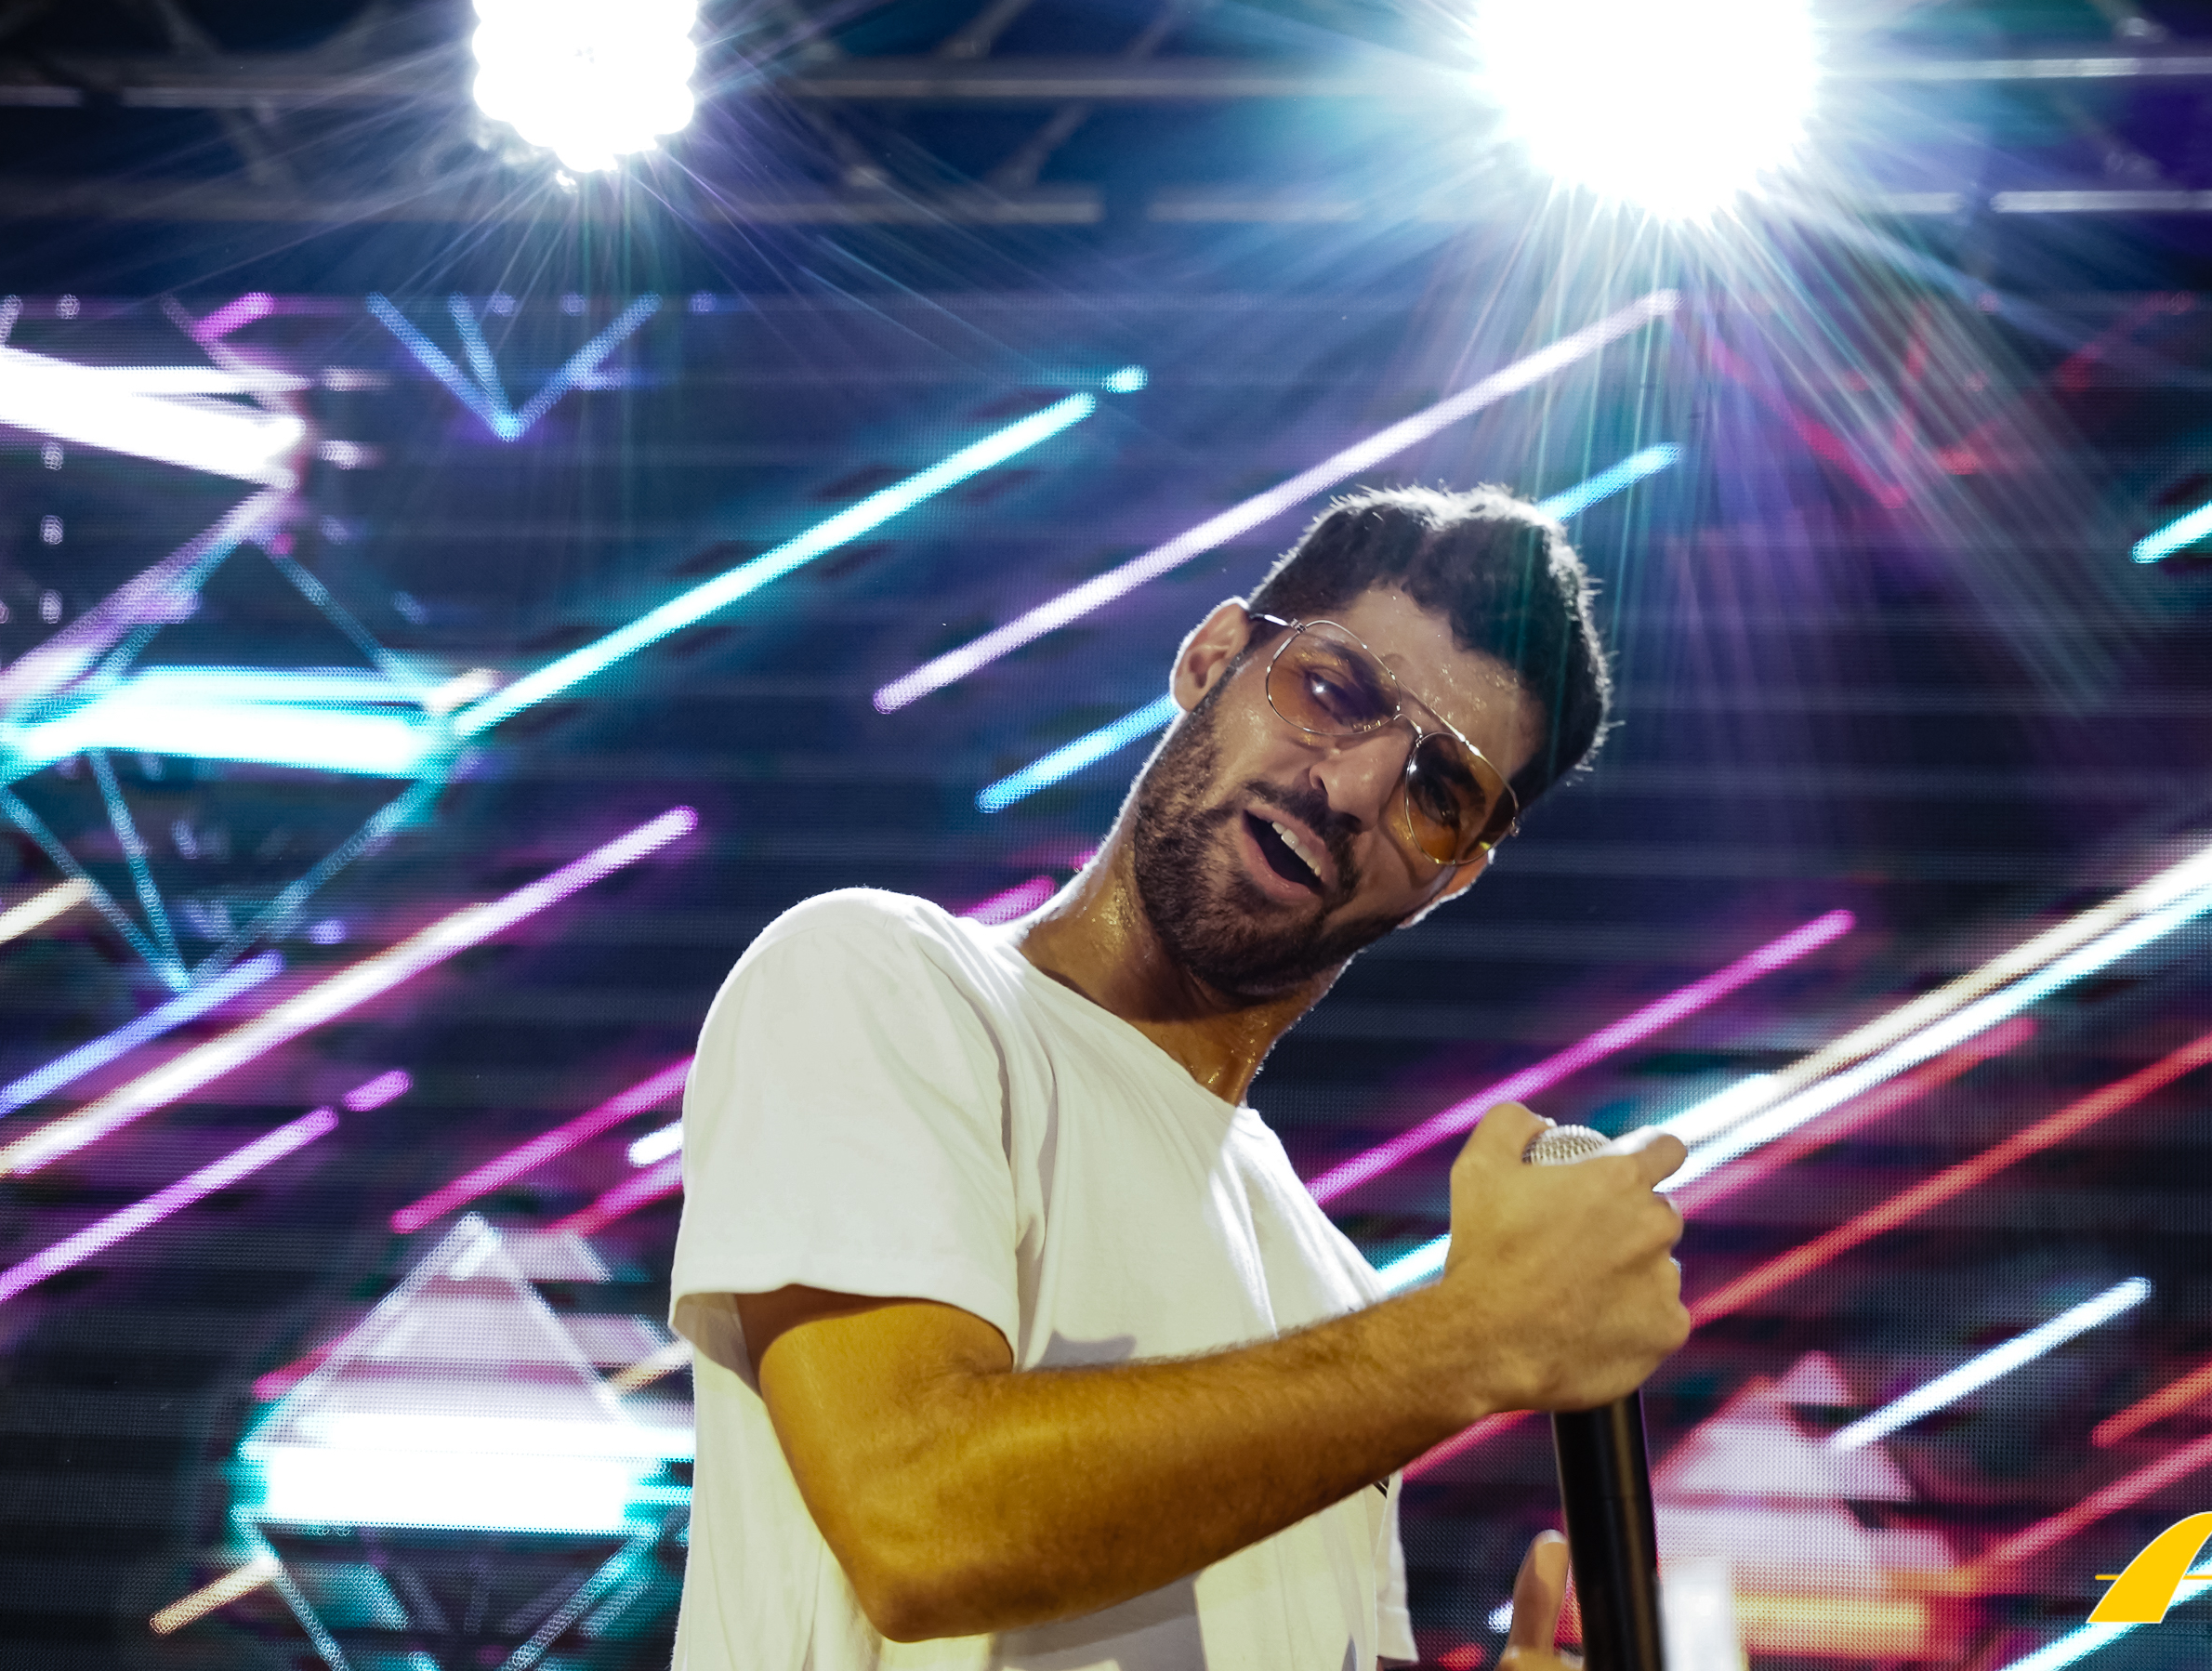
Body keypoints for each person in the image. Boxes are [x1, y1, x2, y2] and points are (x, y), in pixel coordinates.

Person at [668, 484, 1694, 1669]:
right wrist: (1471, 1336)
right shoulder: (884, 979)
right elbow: (915, 1521)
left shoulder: (1342, 1293)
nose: (1354, 787)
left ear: (1454, 874)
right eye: (1335, 691)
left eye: (1436, 791)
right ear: (1212, 658)